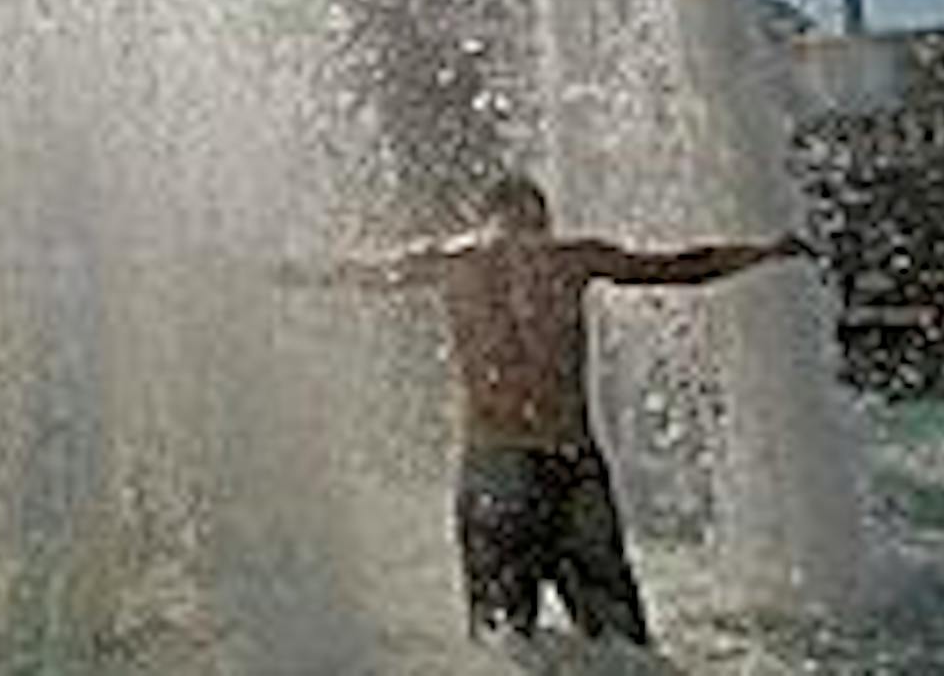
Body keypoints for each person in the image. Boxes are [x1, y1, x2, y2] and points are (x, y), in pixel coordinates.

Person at [275, 171, 816, 649]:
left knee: (505, 645)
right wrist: (763, 251)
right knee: (619, 643)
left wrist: (290, 272)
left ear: (484, 213)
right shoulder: (572, 257)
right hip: (570, 461)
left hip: (493, 462)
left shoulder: (449, 261)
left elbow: (361, 273)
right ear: (540, 214)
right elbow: (675, 267)